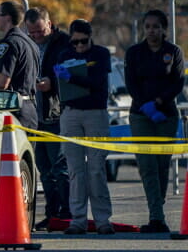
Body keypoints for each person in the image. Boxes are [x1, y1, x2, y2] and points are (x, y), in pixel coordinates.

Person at [124, 10, 184, 233]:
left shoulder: (173, 52)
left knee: (161, 165)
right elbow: (131, 84)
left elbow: (177, 83)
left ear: (163, 29)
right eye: (147, 26)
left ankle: (157, 207)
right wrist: (145, 105)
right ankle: (156, 216)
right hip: (140, 115)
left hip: (166, 115)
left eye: (156, 26)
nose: (151, 31)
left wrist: (158, 102)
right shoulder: (134, 53)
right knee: (147, 166)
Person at [54, 19, 114, 235]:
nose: (79, 46)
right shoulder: (64, 54)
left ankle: (102, 220)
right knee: (75, 171)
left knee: (96, 168)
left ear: (91, 37)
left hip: (95, 113)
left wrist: (73, 78)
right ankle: (78, 220)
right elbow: (61, 86)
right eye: (75, 42)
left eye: (83, 41)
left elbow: (98, 83)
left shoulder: (100, 54)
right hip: (71, 113)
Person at [24, 7, 71, 231]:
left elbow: (69, 73)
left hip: (55, 113)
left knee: (60, 167)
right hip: (35, 116)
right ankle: (52, 213)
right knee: (44, 169)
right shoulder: (28, 44)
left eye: (40, 32)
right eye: (31, 33)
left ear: (49, 24)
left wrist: (52, 82)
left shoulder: (64, 43)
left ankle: (67, 212)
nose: (36, 37)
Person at [0, 1, 40, 130]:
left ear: (7, 18)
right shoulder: (31, 43)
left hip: (14, 108)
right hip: (31, 109)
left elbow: (3, 82)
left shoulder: (8, 43)